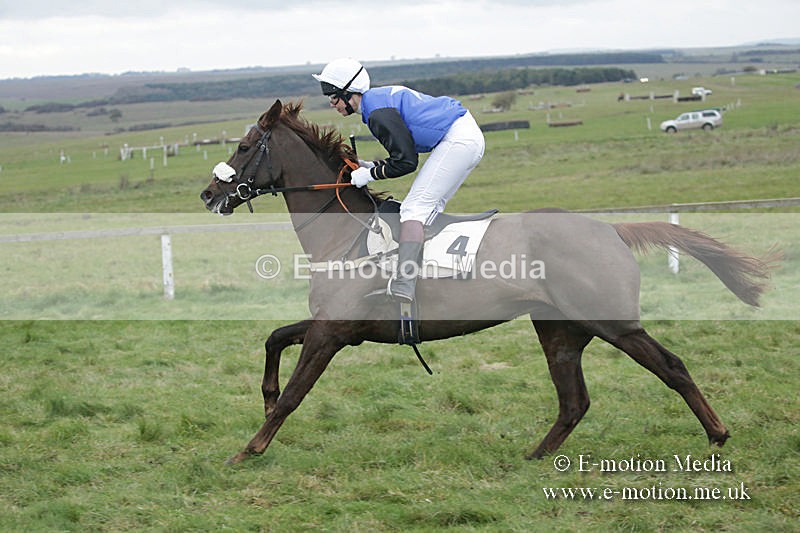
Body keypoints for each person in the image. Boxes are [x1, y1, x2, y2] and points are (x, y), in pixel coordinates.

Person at [313, 58, 485, 303]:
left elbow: (406, 162)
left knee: (414, 209)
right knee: (428, 208)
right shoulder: (376, 102)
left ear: (349, 93)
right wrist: (371, 167)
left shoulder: (377, 113)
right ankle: (434, 270)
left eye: (333, 96)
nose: (331, 104)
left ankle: (405, 282)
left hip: (458, 139)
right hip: (464, 136)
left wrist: (369, 175)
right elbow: (401, 156)